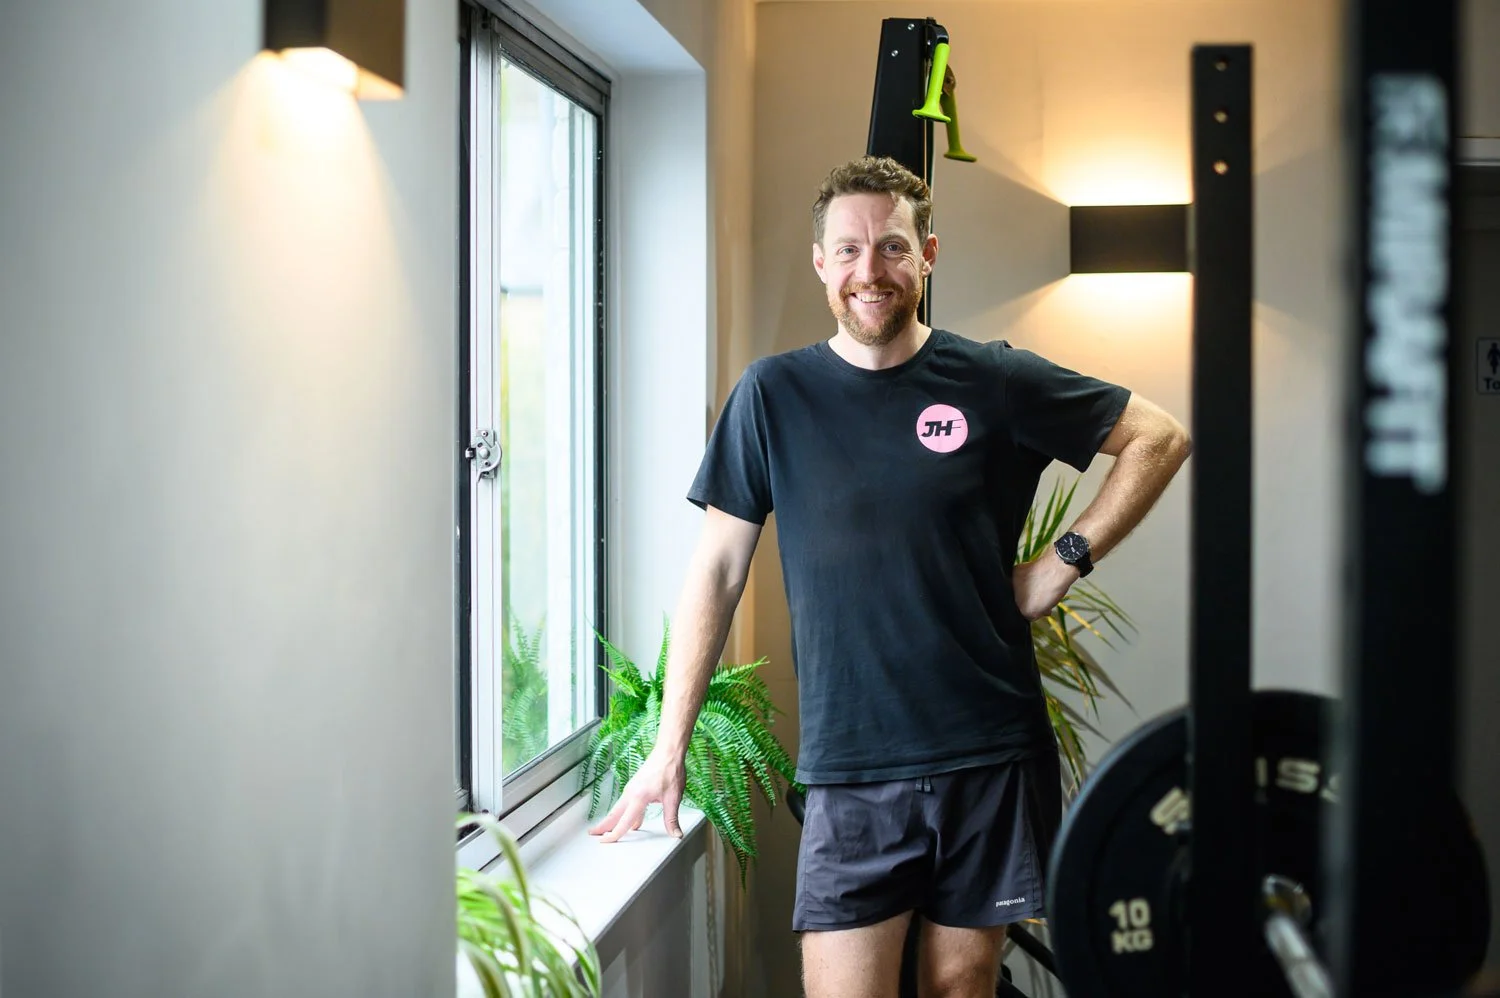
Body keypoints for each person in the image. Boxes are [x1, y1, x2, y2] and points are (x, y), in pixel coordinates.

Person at [590, 154, 1192, 998]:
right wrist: (668, 745)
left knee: (961, 988)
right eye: (848, 251)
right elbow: (718, 570)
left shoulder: (994, 377)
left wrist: (1063, 563)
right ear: (820, 263)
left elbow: (1158, 436)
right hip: (852, 764)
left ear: (929, 255)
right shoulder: (771, 396)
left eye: (892, 248)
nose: (869, 271)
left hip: (988, 747)